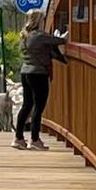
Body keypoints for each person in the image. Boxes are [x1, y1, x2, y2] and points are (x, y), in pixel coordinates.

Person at [13, 9, 67, 151]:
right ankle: (35, 140)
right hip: (38, 73)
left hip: (25, 72)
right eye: (43, 19)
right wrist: (63, 35)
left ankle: (18, 138)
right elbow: (60, 41)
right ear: (39, 21)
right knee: (38, 106)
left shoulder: (25, 35)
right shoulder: (39, 36)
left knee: (27, 105)